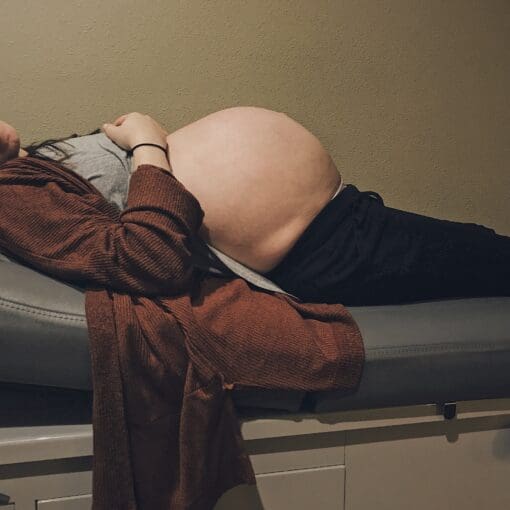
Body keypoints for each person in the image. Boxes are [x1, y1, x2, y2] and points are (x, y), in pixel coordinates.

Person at [2, 109, 510, 306]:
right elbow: (144, 257)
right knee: (491, 258)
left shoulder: (25, 170)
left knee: (482, 254)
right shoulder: (7, 196)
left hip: (331, 223)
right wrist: (145, 144)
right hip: (317, 249)